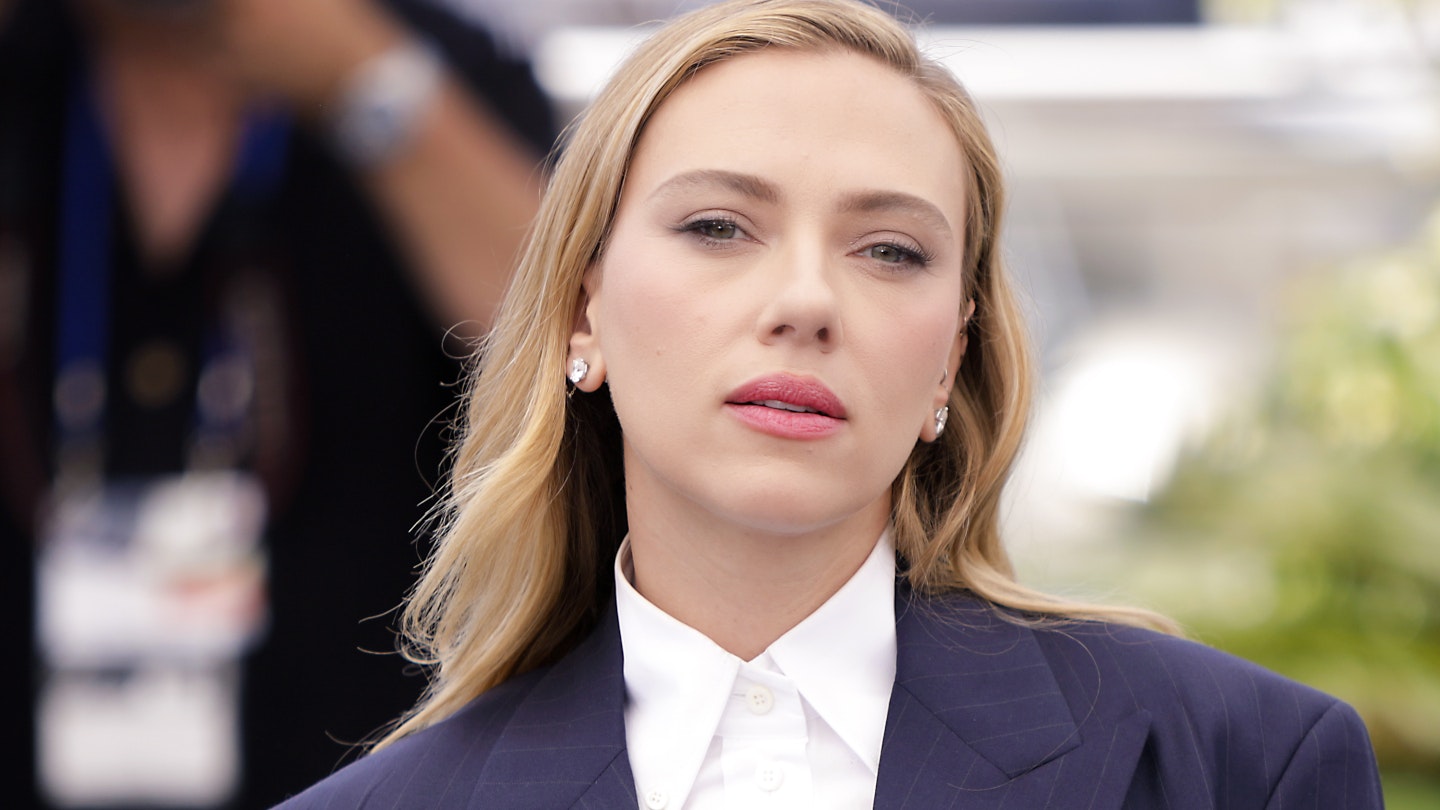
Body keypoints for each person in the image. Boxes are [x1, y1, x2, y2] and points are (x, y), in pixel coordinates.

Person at [275, 0, 1384, 807]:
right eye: (718, 227)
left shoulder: (1239, 766)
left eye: (890, 249)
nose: (805, 302)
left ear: (951, 358)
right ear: (583, 311)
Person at [0, 0, 553, 806]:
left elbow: (566, 352)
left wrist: (372, 90)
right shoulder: (30, 69)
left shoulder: (427, 68)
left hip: (364, 768)